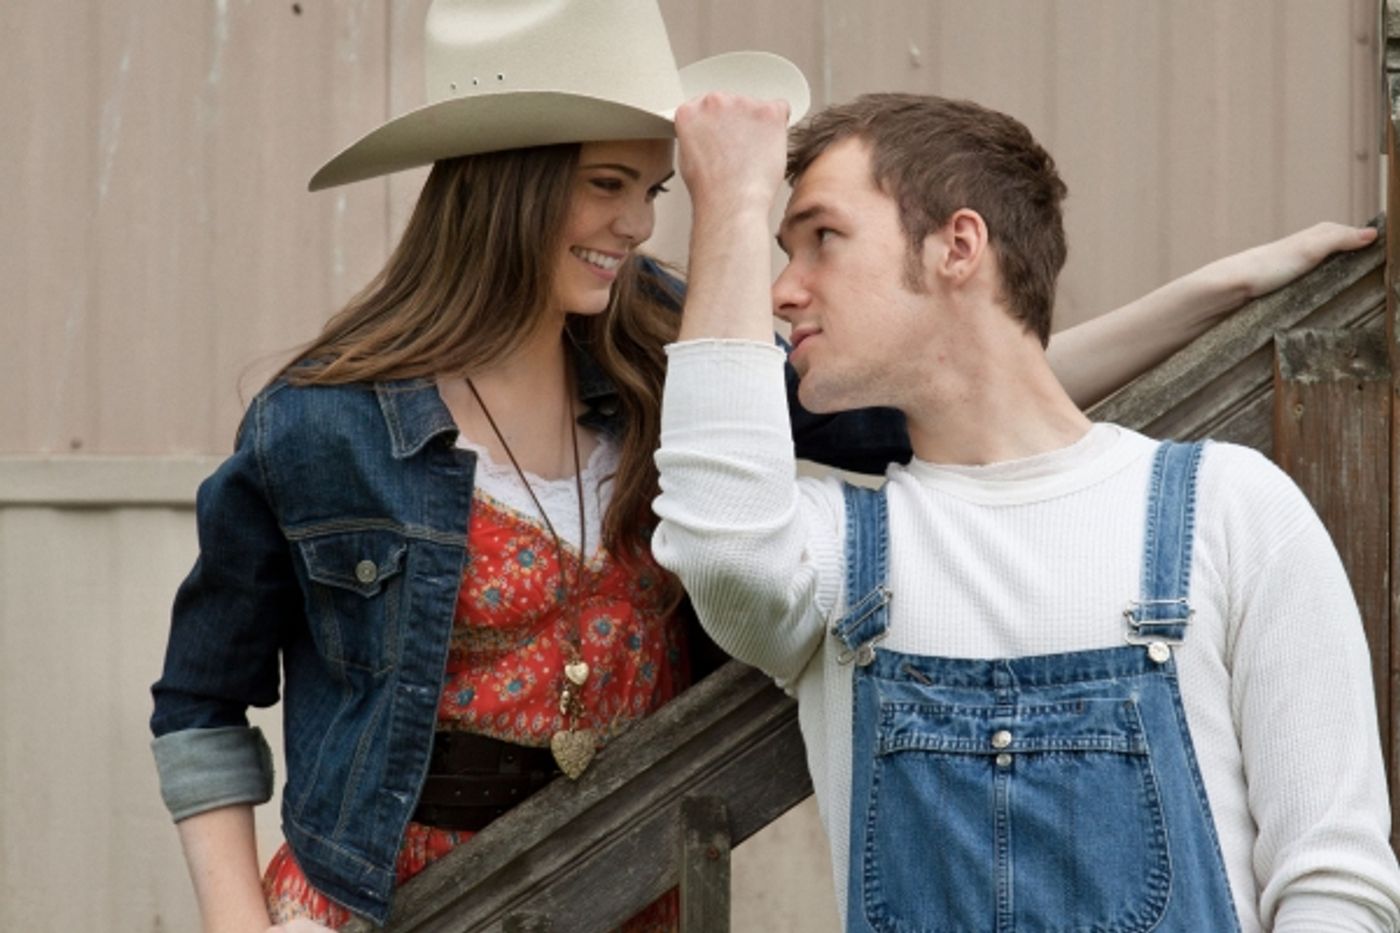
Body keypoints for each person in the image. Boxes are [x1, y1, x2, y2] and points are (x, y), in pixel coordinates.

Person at [149, 1, 1380, 930]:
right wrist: (235, 924)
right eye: (606, 187)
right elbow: (202, 694)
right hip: (380, 899)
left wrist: (1216, 293)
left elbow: (952, 383)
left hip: (620, 881)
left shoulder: (663, 357)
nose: (639, 225)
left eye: (653, 190)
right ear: (503, 191)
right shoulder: (323, 423)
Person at [653, 91, 1400, 932]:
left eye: (822, 238)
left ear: (957, 246)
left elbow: (1335, 887)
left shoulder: (1230, 510)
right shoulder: (831, 554)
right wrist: (726, 201)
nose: (783, 292)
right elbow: (719, 540)